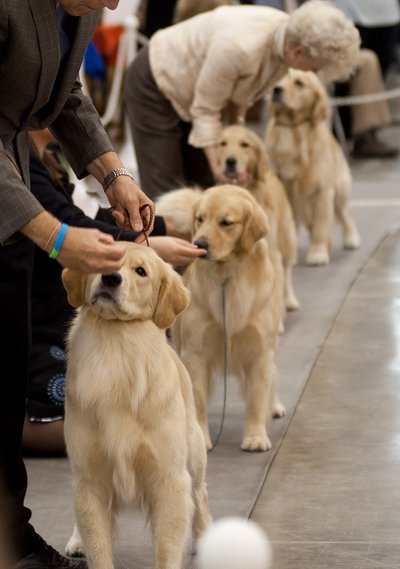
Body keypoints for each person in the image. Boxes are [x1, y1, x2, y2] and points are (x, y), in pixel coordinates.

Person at [0, 2, 156, 568]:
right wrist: (56, 237)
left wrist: (112, 173)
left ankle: (11, 537)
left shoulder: (83, 8)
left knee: (8, 371)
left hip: (11, 186)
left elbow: (66, 98)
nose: (116, 4)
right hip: (12, 190)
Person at [23, 129, 206, 458]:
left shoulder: (51, 161)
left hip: (56, 315)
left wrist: (160, 226)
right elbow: (67, 224)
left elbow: (90, 217)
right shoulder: (22, 164)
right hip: (39, 322)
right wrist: (145, 247)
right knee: (83, 418)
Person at [124, 0, 361, 200]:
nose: (316, 73)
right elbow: (205, 111)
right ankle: (166, 252)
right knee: (169, 192)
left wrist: (236, 129)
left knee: (206, 187)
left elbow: (242, 91)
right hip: (155, 80)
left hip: (196, 91)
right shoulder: (239, 47)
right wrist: (219, 168)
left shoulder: (285, 40)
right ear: (298, 51)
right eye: (316, 66)